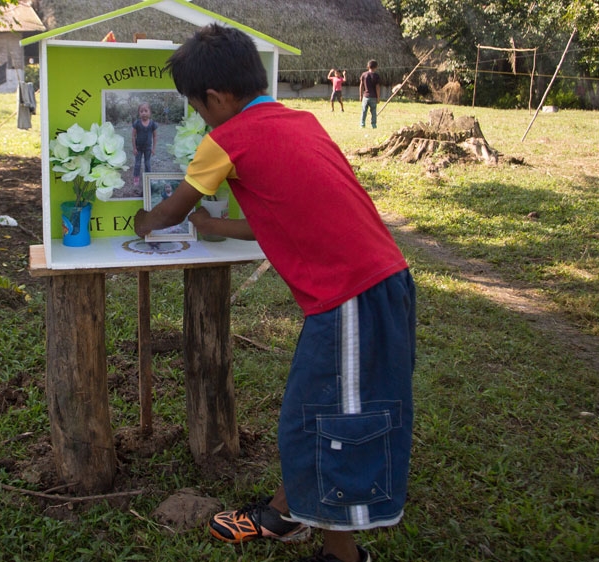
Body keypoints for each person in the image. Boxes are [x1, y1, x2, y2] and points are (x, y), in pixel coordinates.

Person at [134, 24, 415, 562]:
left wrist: (145, 220)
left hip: (351, 297)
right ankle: (290, 513)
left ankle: (341, 553)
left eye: (196, 107)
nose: (199, 117)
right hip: (379, 284)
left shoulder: (227, 139)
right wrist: (219, 230)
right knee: (314, 413)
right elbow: (291, 215)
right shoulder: (300, 121)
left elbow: (169, 212)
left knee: (333, 424)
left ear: (216, 99)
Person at [131, 102, 158, 186]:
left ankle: (148, 178)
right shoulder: (137, 123)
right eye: (141, 111)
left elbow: (154, 137)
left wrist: (153, 148)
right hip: (138, 148)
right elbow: (133, 136)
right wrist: (134, 148)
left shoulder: (152, 124)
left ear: (150, 112)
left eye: (146, 111)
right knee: (137, 164)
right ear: (139, 113)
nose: (143, 113)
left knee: (147, 163)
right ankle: (136, 178)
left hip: (148, 149)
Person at [359, 60, 381, 128]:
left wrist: (360, 95)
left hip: (365, 96)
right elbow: (377, 87)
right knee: (373, 112)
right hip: (373, 97)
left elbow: (361, 85)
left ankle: (362, 124)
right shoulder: (376, 76)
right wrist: (378, 97)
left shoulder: (364, 74)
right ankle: (373, 125)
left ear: (368, 66)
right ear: (376, 67)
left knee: (364, 111)